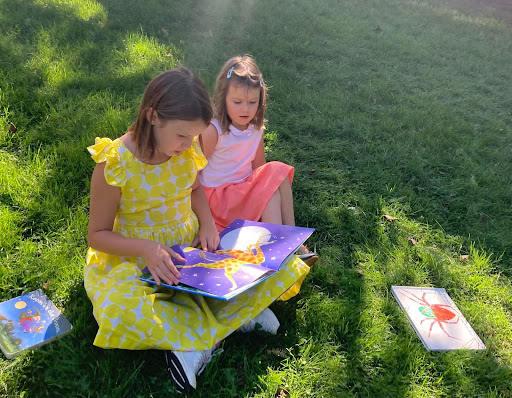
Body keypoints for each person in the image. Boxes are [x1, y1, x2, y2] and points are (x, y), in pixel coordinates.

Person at [84, 67, 310, 393]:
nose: (188, 145)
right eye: (181, 136)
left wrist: (206, 224)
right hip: (135, 256)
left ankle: (202, 336)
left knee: (263, 260)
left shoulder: (186, 149)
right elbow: (97, 235)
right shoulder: (114, 164)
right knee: (120, 308)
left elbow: (194, 191)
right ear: (152, 116)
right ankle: (220, 330)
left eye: (192, 137)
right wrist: (147, 249)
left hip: (189, 245)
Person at [199, 55, 318, 266]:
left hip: (241, 193)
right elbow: (193, 171)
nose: (245, 109)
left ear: (260, 100)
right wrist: (202, 218)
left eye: (252, 102)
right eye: (237, 102)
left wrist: (263, 190)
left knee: (274, 179)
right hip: (218, 200)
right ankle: (283, 249)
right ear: (222, 98)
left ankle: (290, 241)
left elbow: (260, 169)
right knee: (272, 178)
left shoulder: (255, 129)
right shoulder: (214, 130)